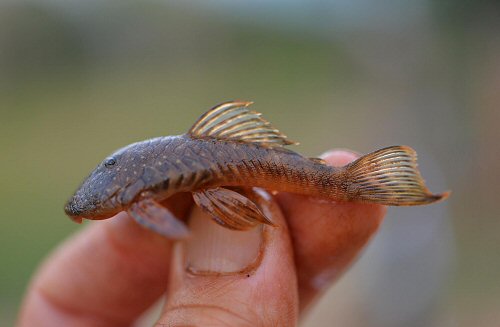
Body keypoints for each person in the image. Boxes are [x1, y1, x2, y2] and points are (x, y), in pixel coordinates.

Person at [18, 150, 386, 326]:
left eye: (93, 206)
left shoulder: (133, 191)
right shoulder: (128, 184)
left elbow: (170, 226)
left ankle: (352, 181)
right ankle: (355, 181)